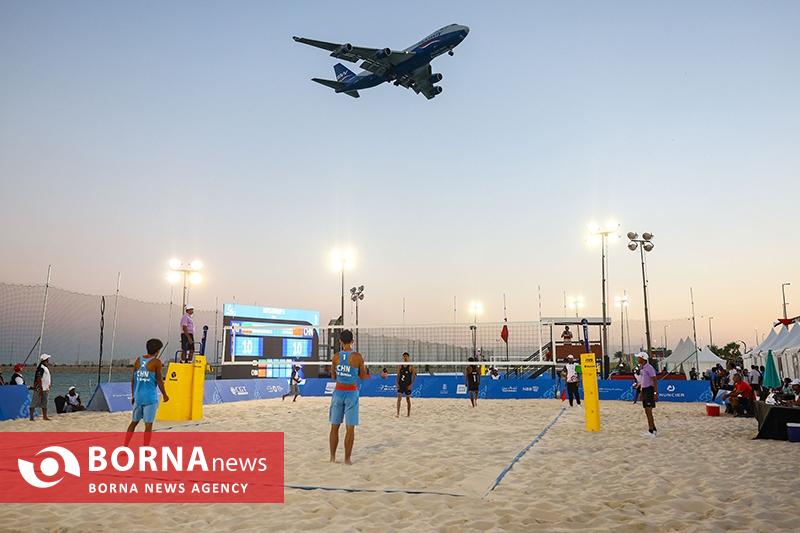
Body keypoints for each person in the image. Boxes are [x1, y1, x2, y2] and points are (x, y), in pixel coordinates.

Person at [329, 329, 368, 465]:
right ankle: (347, 459)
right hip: (351, 393)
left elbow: (333, 376)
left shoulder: (335, 357)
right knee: (350, 428)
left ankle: (332, 458)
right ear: (352, 341)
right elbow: (363, 376)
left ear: (340, 341)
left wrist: (343, 374)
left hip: (338, 392)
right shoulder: (357, 357)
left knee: (334, 427)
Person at [125, 338, 169, 446]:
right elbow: (159, 381)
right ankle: (145, 448)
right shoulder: (157, 362)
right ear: (157, 350)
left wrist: (133, 395)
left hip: (138, 397)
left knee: (133, 423)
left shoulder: (138, 360)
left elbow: (133, 379)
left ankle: (125, 446)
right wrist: (165, 395)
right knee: (148, 425)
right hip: (150, 398)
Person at [636, 352, 658, 437]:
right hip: (645, 390)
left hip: (649, 390)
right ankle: (653, 429)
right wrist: (641, 392)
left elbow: (654, 380)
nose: (638, 359)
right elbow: (643, 381)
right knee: (647, 411)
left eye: (639, 357)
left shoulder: (649, 367)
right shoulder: (643, 368)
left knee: (649, 411)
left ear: (643, 358)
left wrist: (655, 393)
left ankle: (651, 431)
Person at [29, 353, 52, 421]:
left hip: (45, 388)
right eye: (47, 359)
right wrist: (41, 388)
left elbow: (45, 378)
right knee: (35, 401)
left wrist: (48, 384)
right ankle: (31, 417)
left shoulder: (44, 367)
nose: (48, 361)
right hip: (40, 388)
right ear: (45, 360)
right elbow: (39, 378)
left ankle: (45, 416)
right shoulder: (41, 368)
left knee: (45, 402)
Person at [396, 352, 416, 417]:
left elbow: (414, 376)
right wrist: (397, 383)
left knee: (408, 399)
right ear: (403, 357)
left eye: (406, 356)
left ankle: (408, 414)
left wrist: (411, 384)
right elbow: (398, 375)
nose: (405, 357)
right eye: (404, 356)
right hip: (401, 384)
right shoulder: (400, 365)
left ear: (408, 357)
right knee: (399, 398)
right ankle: (398, 413)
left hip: (407, 385)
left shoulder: (410, 366)